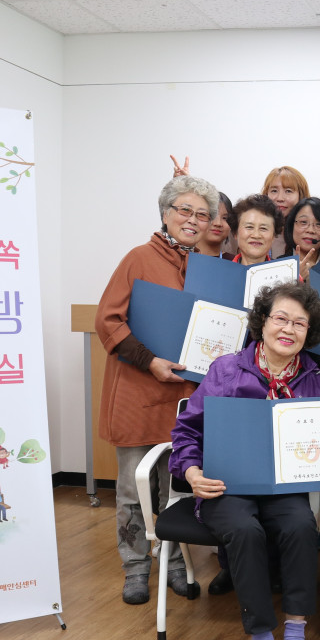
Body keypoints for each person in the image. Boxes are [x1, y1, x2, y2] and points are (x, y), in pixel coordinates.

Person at [169, 281, 320, 640]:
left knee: (302, 526)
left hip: (283, 490)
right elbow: (186, 432)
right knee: (244, 531)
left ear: (309, 332)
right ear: (262, 321)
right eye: (281, 318)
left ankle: (295, 636)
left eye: (300, 323)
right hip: (226, 487)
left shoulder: (315, 379)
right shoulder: (226, 370)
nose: (289, 329)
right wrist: (191, 473)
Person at [95, 175, 216, 605]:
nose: (193, 220)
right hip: (137, 394)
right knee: (133, 488)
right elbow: (108, 321)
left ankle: (174, 563)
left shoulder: (205, 269)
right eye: (185, 210)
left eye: (203, 214)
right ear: (165, 213)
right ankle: (135, 568)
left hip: (183, 398)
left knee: (174, 488)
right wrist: (149, 361)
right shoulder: (138, 258)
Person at [282, 197, 320, 282]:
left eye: (319, 224)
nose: (310, 230)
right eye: (303, 222)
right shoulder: (277, 266)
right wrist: (296, 279)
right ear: (291, 226)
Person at [262, 166, 310, 258]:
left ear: (301, 196)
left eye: (288, 191)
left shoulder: (309, 233)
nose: (280, 198)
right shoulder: (254, 232)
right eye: (274, 191)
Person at [231, 194, 282, 266]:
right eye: (249, 227)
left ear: (273, 235)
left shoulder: (285, 271)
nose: (256, 235)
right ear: (235, 233)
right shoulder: (220, 272)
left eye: (263, 228)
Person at [195, 191, 233, 258]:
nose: (218, 223)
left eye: (225, 218)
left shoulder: (236, 262)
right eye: (212, 216)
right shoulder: (181, 259)